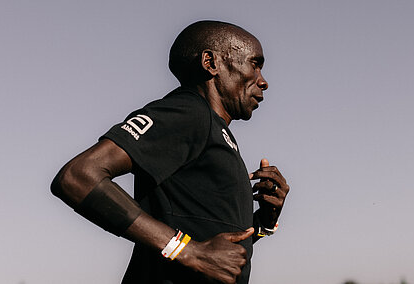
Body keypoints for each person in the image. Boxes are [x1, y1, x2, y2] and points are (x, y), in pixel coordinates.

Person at [51, 20, 290, 284]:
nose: (263, 81)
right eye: (254, 64)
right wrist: (187, 251)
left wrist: (266, 223)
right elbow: (77, 177)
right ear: (211, 63)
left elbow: (218, 243)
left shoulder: (213, 130)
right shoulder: (189, 113)